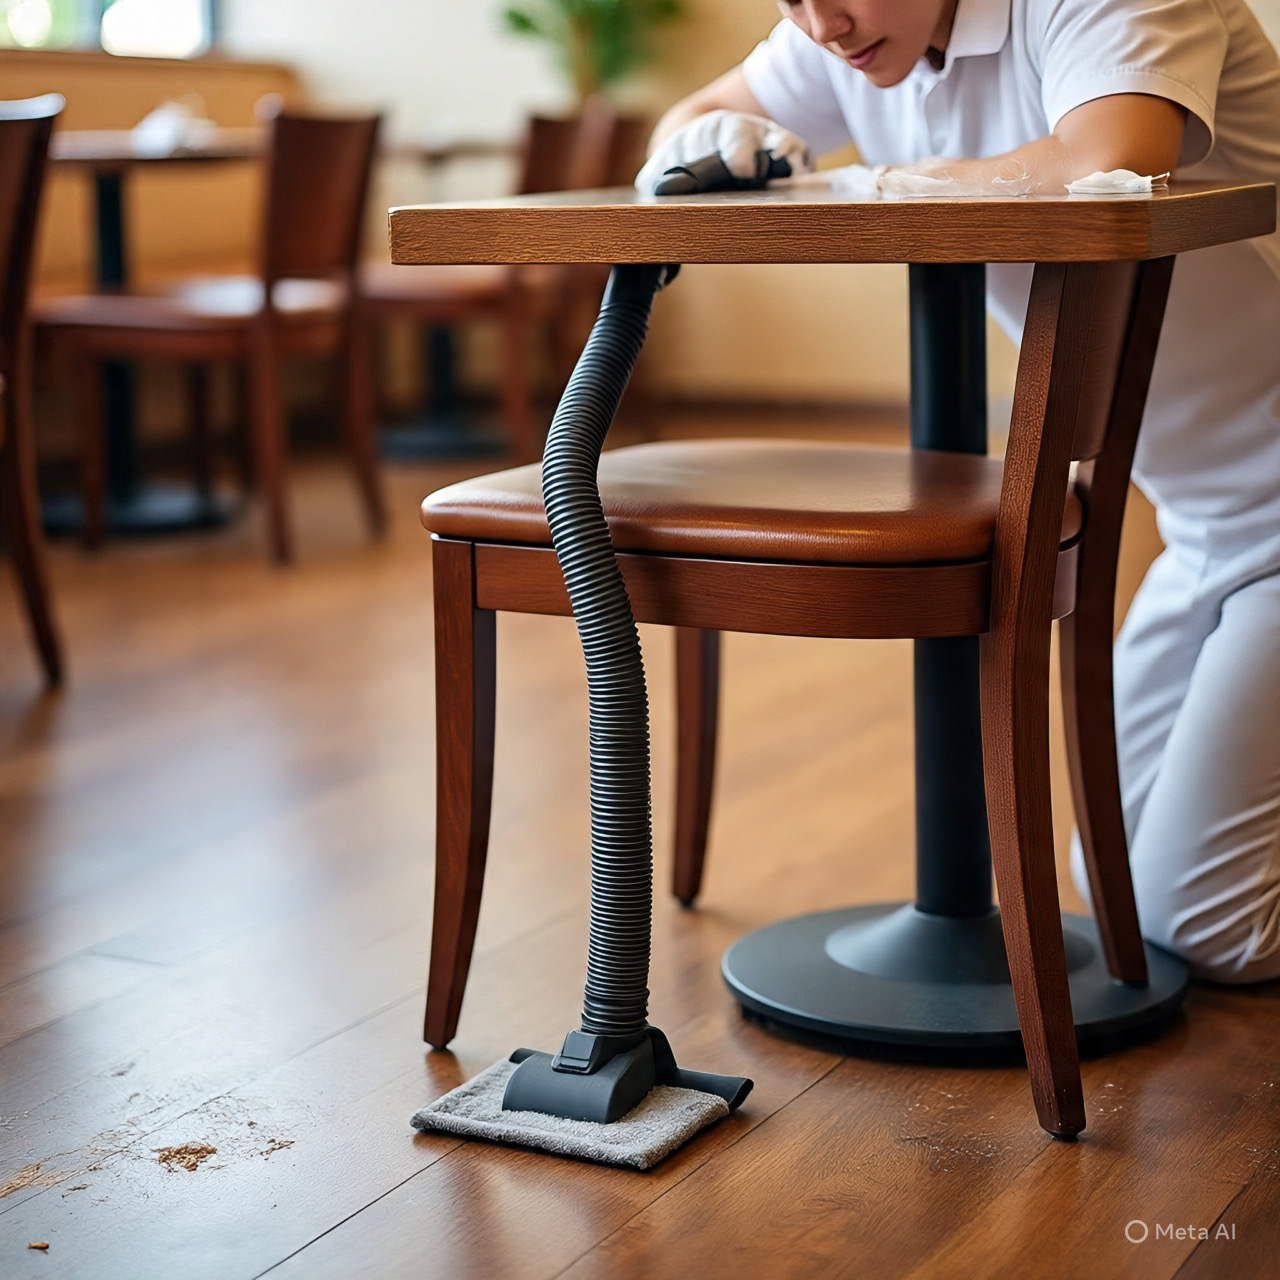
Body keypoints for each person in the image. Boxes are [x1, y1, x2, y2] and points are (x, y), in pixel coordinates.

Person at [639, 0, 1280, 982]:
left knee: (1210, 926)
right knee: (1111, 873)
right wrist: (712, 140)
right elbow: (698, 116)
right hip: (1203, 529)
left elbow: (1112, 154)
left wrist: (876, 184)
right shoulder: (852, 29)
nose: (817, 23)